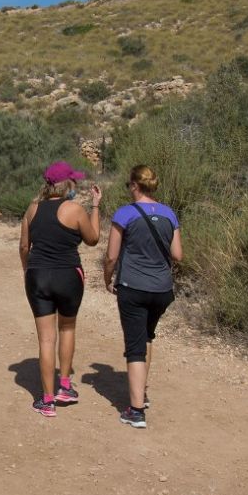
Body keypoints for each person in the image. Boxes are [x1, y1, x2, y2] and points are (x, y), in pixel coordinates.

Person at [102, 164, 183, 429]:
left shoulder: (125, 213)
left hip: (133, 286)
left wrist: (107, 277)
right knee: (147, 336)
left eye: (128, 185)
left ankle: (136, 411)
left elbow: (112, 255)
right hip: (162, 289)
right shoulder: (169, 214)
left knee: (134, 345)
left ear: (135, 186)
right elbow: (178, 255)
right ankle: (142, 392)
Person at [19, 161, 101, 417]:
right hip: (68, 276)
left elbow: (24, 247)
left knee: (45, 339)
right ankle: (64, 386)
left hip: (38, 276)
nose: (76, 184)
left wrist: (27, 271)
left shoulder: (32, 209)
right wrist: (96, 206)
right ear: (66, 183)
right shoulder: (75, 209)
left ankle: (46, 399)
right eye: (73, 181)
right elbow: (93, 239)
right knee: (67, 328)